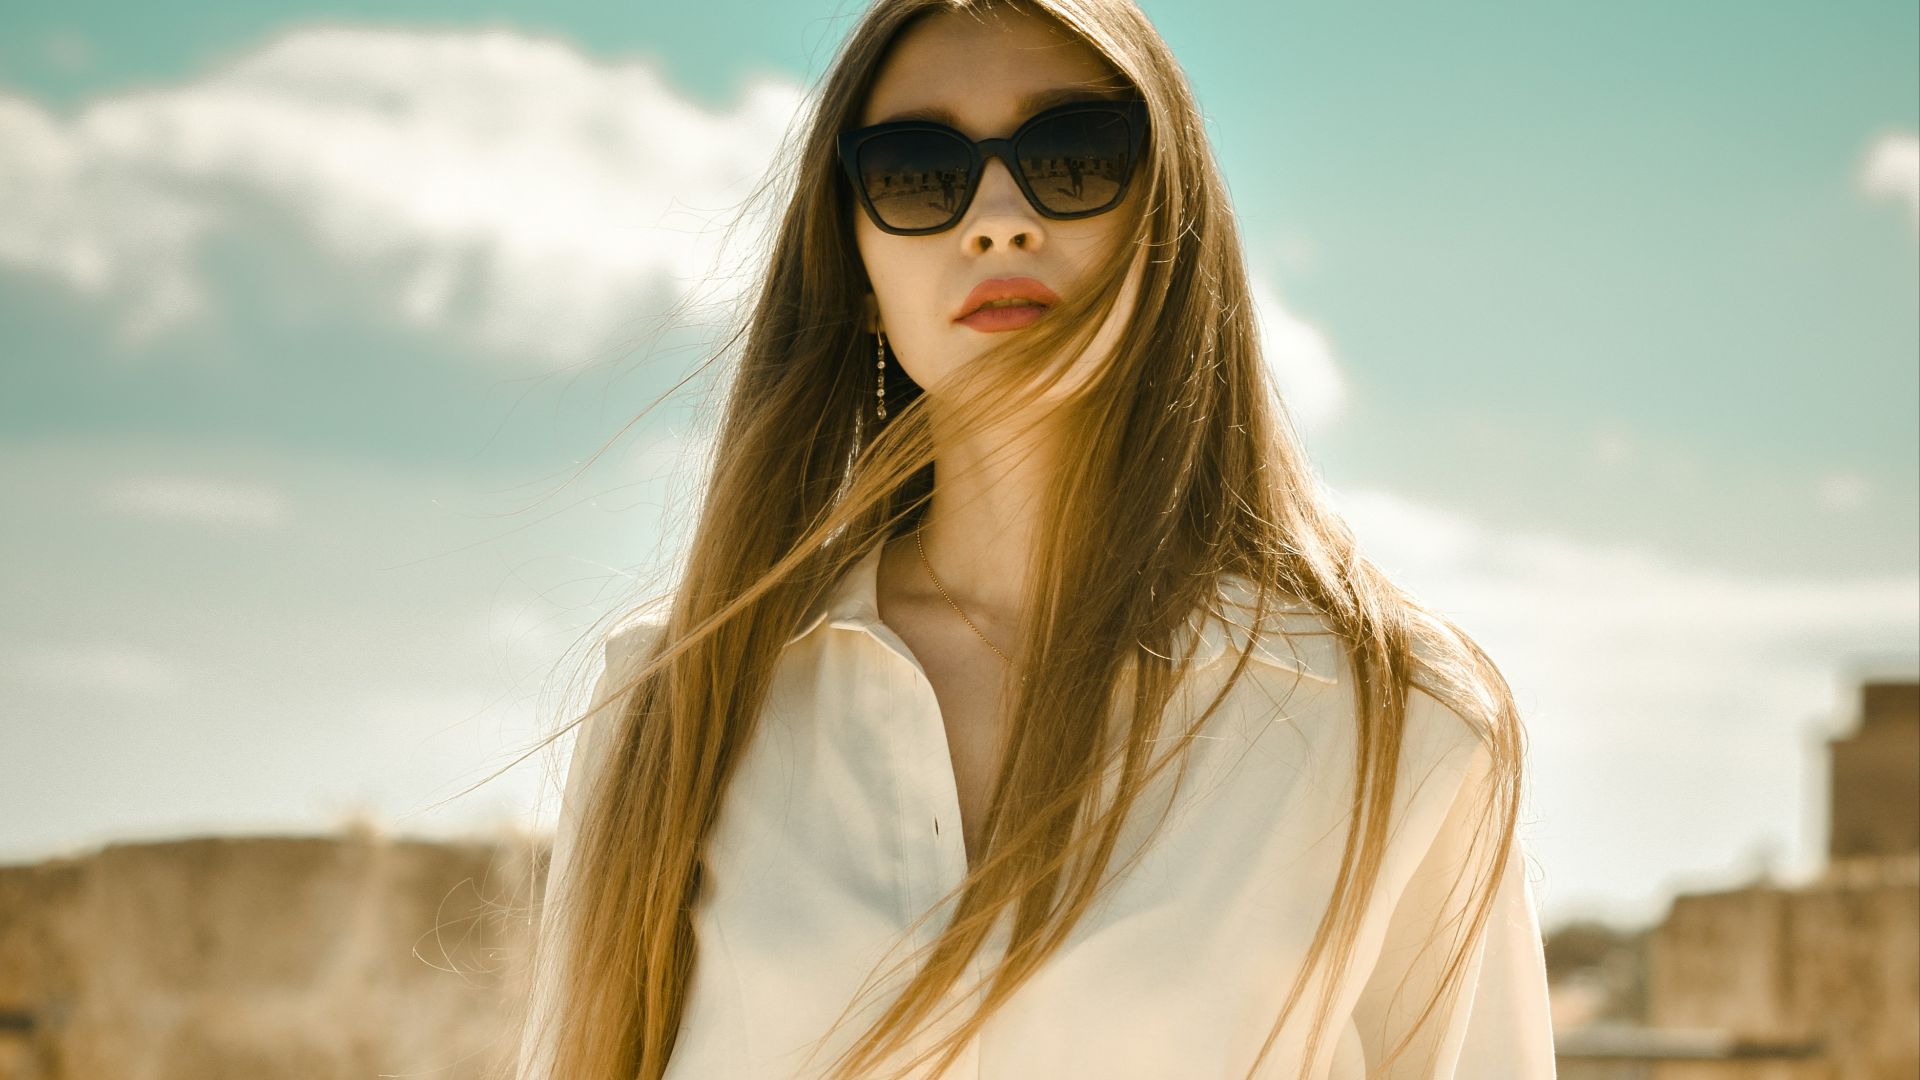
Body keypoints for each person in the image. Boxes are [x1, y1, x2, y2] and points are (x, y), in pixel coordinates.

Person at [515, 0, 1556, 1078]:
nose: (1001, 217)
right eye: (919, 172)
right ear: (858, 273)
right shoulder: (675, 696)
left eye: (1073, 155)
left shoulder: (1400, 716)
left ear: (1172, 228)